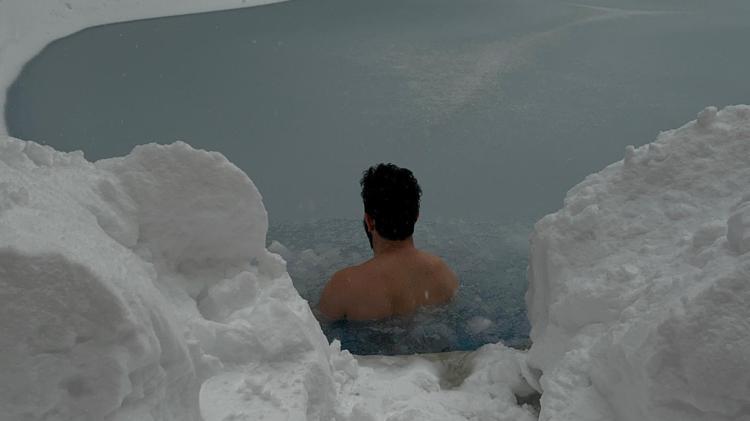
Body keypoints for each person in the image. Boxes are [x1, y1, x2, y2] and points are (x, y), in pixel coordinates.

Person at [319, 163, 459, 321]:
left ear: (369, 221)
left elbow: (309, 331)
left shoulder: (345, 286)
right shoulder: (443, 275)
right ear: (416, 216)